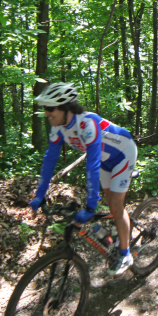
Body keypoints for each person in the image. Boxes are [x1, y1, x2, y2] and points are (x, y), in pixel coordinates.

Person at [28, 82, 138, 276]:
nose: (47, 113)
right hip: (106, 159)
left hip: (123, 154)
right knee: (108, 205)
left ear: (65, 107)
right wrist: (39, 194)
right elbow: (50, 160)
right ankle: (111, 233)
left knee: (115, 205)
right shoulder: (58, 128)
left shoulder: (87, 123)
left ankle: (126, 254)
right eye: (45, 109)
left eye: (50, 108)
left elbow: (92, 164)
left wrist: (90, 207)